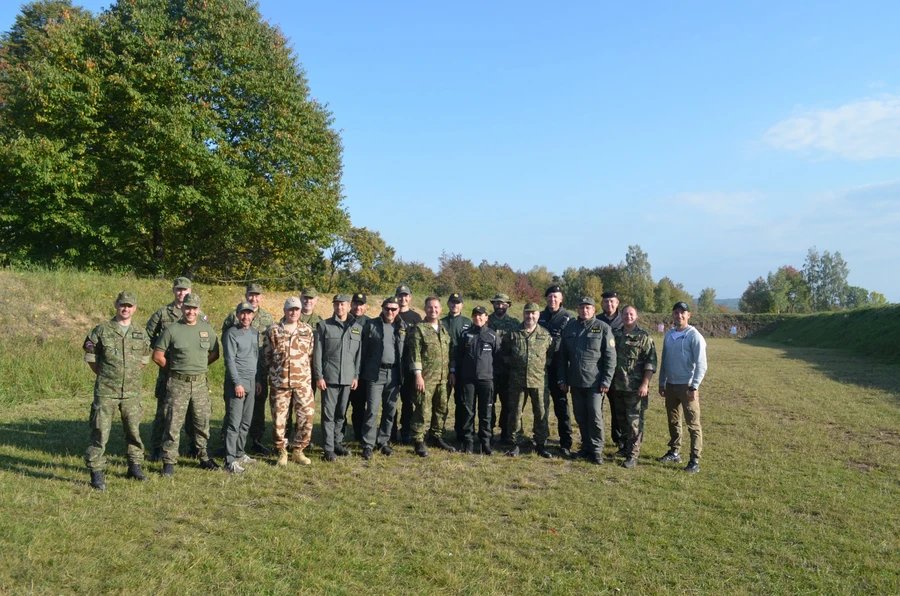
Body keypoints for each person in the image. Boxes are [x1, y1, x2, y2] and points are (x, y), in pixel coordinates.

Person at [82, 291, 151, 490]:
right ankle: (96, 472)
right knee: (100, 432)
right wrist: (106, 375)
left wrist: (128, 375)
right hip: (106, 390)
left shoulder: (140, 331)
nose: (126, 308)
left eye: (129, 306)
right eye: (122, 305)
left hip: (131, 391)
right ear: (116, 305)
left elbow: (144, 358)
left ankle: (134, 466)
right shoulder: (102, 330)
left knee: (134, 431)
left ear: (135, 308)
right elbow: (91, 356)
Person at [152, 293, 220, 476]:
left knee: (201, 421)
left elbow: (214, 353)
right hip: (177, 383)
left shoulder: (206, 329)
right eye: (188, 308)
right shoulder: (172, 329)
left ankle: (204, 457)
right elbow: (158, 356)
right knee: (173, 422)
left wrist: (199, 366)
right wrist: (174, 370)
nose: (191, 311)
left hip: (199, 384)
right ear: (182, 308)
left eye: (194, 308)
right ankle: (168, 461)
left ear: (199, 310)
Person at [145, 277, 207, 461]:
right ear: (173, 290)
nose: (182, 293)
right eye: (179, 289)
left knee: (193, 413)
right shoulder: (163, 313)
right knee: (165, 412)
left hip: (191, 372)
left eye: (185, 290)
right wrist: (161, 356)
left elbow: (206, 341)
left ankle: (192, 447)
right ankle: (158, 449)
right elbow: (147, 337)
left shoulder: (199, 314)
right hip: (168, 371)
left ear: (190, 291)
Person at [557, 296, 616, 465]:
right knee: (581, 416)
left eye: (588, 308)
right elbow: (562, 357)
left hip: (595, 383)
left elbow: (610, 357)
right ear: (578, 309)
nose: (584, 310)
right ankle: (586, 447)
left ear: (593, 310)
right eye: (582, 307)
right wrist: (562, 378)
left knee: (595, 416)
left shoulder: (602, 328)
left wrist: (606, 380)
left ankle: (596, 451)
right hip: (575, 382)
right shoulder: (570, 328)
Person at [220, 283, 275, 456]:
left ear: (261, 297)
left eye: (257, 295)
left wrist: (260, 376)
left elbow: (267, 347)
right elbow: (227, 347)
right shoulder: (232, 323)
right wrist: (236, 379)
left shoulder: (265, 320)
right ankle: (228, 448)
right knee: (234, 414)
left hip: (257, 373)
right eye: (251, 294)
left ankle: (250, 444)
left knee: (253, 412)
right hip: (238, 372)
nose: (254, 298)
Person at [264, 297, 316, 466]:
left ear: (300, 311)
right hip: (280, 384)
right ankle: (282, 451)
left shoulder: (307, 330)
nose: (293, 312)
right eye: (290, 309)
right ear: (284, 310)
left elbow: (310, 354)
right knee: (279, 420)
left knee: (306, 417)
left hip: (302, 383)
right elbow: (267, 356)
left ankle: (298, 450)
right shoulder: (273, 330)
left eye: (296, 309)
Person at [658, 301, 708, 473]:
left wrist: (693, 387)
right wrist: (661, 382)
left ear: (688, 315)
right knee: (673, 421)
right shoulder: (669, 335)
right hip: (670, 385)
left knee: (693, 424)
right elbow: (664, 360)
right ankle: (674, 451)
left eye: (682, 313)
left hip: (686, 386)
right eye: (676, 313)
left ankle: (694, 460)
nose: (679, 316)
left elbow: (702, 364)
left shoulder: (694, 336)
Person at [313, 294, 363, 461]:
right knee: (328, 414)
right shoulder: (324, 325)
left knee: (341, 414)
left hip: (348, 379)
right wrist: (319, 376)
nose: (339, 307)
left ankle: (337, 443)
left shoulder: (356, 327)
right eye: (337, 304)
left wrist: (355, 375)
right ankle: (328, 449)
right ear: (333, 306)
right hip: (329, 378)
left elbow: (358, 355)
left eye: (342, 304)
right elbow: (318, 354)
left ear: (349, 306)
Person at [502, 302, 553, 458]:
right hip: (517, 381)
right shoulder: (512, 334)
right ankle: (515, 443)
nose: (530, 316)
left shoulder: (545, 335)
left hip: (539, 381)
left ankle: (541, 444)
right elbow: (505, 355)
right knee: (515, 413)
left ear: (538, 315)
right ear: (523, 314)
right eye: (527, 313)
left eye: (533, 313)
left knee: (541, 413)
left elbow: (550, 357)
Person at [358, 298, 407, 459]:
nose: (390, 312)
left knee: (390, 410)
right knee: (372, 410)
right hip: (375, 374)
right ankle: (368, 444)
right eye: (387, 308)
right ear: (382, 308)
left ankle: (383, 441)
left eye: (393, 309)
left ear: (398, 310)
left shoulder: (402, 327)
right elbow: (362, 351)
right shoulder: (371, 325)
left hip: (394, 374)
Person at [610, 306, 657, 469]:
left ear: (636, 317)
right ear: (621, 316)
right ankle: (625, 448)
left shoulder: (644, 337)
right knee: (622, 421)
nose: (628, 316)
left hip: (635, 388)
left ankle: (633, 455)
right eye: (625, 314)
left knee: (634, 422)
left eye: (631, 314)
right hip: (617, 386)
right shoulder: (615, 335)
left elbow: (650, 363)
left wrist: (645, 384)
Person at [406, 296, 454, 457]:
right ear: (425, 309)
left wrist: (451, 372)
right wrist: (418, 375)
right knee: (422, 410)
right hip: (426, 378)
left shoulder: (444, 329)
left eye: (436, 307)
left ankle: (436, 436)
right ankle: (418, 439)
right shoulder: (419, 329)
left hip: (443, 378)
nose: (433, 310)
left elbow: (449, 353)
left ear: (440, 309)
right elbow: (415, 354)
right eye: (430, 307)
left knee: (441, 409)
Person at [450, 306, 500, 455]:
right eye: (475, 315)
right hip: (468, 380)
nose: (478, 318)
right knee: (468, 411)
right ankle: (468, 442)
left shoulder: (492, 336)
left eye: (481, 316)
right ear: (472, 317)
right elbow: (458, 357)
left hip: (486, 380)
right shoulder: (465, 335)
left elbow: (497, 359)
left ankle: (485, 443)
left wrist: (494, 379)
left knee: (486, 413)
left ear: (486, 318)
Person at [221, 301, 262, 474]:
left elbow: (256, 358)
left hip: (252, 382)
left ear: (253, 315)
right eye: (242, 313)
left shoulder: (254, 333)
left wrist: (258, 380)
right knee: (234, 423)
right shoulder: (231, 333)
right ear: (237, 315)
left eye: (249, 313)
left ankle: (239, 452)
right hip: (236, 383)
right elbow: (229, 360)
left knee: (246, 422)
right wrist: (237, 383)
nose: (246, 317)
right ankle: (229, 460)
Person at [538, 285, 574, 457]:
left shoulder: (568, 318)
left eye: (555, 297)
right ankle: (541, 439)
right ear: (546, 299)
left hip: (559, 369)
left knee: (561, 407)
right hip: (541, 369)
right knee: (541, 406)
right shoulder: (540, 316)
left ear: (561, 299)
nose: (552, 300)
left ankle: (565, 442)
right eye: (550, 296)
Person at [487, 293, 520, 446]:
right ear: (493, 304)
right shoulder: (486, 321)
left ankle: (506, 433)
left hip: (508, 371)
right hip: (490, 370)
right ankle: (488, 432)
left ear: (508, 305)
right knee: (489, 403)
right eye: (497, 303)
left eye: (503, 304)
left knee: (508, 403)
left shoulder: (514, 323)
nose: (500, 306)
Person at [596, 290, 625, 450]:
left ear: (617, 302)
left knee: (617, 407)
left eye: (612, 301)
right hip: (598, 371)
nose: (609, 304)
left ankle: (618, 438)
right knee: (596, 407)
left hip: (619, 373)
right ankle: (595, 437)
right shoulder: (597, 320)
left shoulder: (624, 319)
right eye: (606, 302)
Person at [441, 293, 471, 447]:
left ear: (462, 305)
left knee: (461, 401)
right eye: (452, 302)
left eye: (458, 303)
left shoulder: (467, 322)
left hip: (462, 368)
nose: (455, 305)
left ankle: (460, 432)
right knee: (441, 402)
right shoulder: (441, 322)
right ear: (448, 304)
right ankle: (438, 432)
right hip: (442, 367)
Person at [395, 284, 422, 444]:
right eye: (400, 295)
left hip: (408, 366)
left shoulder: (416, 317)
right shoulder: (390, 312)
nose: (403, 298)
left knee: (407, 401)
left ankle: (405, 431)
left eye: (406, 295)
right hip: (393, 366)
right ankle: (390, 431)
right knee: (391, 402)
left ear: (410, 298)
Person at [346, 292, 370, 442]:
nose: (358, 307)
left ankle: (358, 434)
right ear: (351, 305)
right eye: (355, 303)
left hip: (361, 372)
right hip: (343, 370)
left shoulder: (371, 323)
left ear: (365, 306)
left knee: (359, 406)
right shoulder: (343, 319)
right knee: (340, 407)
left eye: (361, 304)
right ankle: (338, 435)